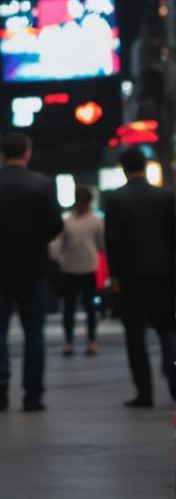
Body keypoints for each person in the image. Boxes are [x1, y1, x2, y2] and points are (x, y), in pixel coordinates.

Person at [0, 132, 63, 411]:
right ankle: (33, 394)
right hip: (33, 267)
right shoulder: (42, 185)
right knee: (34, 331)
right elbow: (55, 225)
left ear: (1, 154)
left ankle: (0, 384)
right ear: (27, 153)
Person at [103, 148, 175, 408]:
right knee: (167, 329)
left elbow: (111, 241)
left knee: (135, 336)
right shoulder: (165, 196)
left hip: (131, 276)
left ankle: (144, 393)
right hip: (163, 274)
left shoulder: (116, 199)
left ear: (123, 168)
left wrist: (115, 276)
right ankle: (173, 377)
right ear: (145, 166)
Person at [52, 192, 105, 356]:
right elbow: (102, 244)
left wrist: (60, 258)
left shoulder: (75, 221)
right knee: (79, 308)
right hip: (77, 267)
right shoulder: (92, 221)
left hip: (83, 267)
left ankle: (80, 341)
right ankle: (84, 341)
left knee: (78, 308)